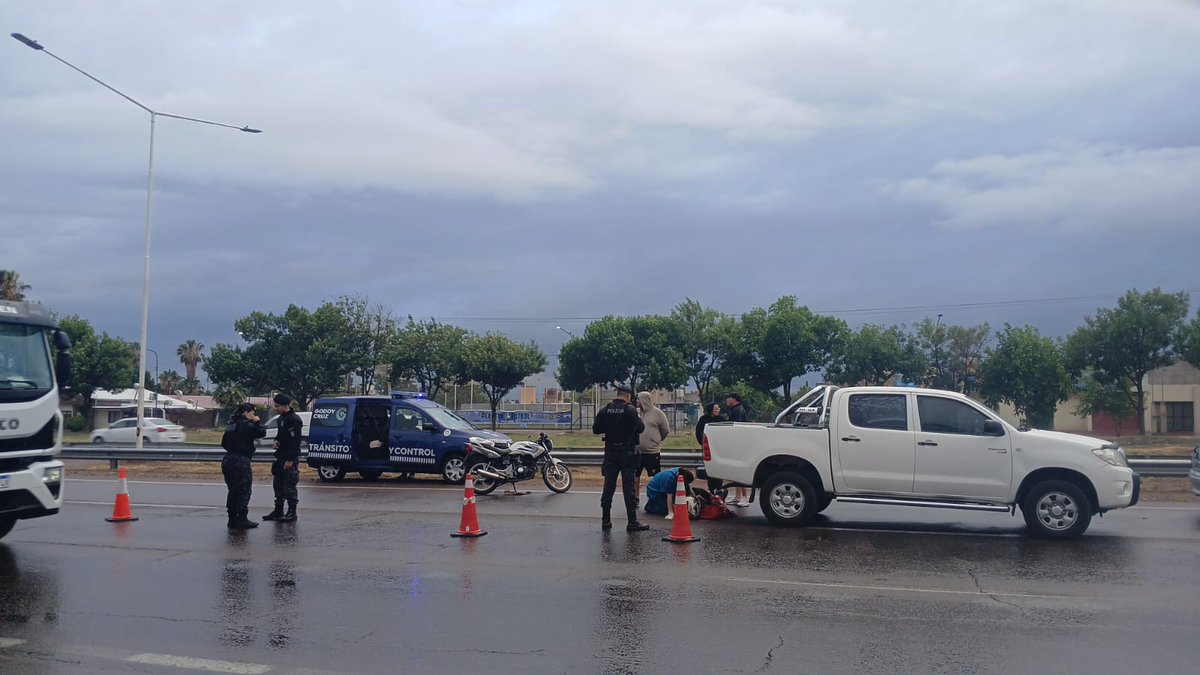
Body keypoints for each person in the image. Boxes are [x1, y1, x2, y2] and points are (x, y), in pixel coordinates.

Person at [593, 384, 649, 532]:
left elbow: (596, 429)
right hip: (627, 453)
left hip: (610, 452)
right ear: (628, 396)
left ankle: (606, 521)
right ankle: (632, 522)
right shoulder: (629, 410)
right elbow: (641, 428)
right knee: (628, 488)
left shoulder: (605, 409)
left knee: (608, 487)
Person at [221, 402, 266, 529]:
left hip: (228, 459)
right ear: (245, 413)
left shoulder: (231, 424)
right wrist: (257, 422)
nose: (254, 414)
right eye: (252, 412)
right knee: (244, 490)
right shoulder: (247, 425)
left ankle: (232, 518)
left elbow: (223, 443)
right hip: (241, 460)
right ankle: (242, 518)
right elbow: (262, 433)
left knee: (233, 490)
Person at [263, 394, 303, 523]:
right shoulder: (281, 419)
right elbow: (281, 435)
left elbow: (295, 441)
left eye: (277, 406)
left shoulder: (294, 420)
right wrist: (276, 441)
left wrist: (290, 460)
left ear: (285, 406)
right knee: (278, 485)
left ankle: (292, 512)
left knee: (290, 485)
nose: (275, 408)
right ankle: (278, 510)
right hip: (280, 456)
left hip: (289, 457)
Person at [634, 391, 671, 499]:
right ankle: (635, 497)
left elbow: (665, 430)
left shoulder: (658, 413)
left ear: (644, 400)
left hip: (652, 452)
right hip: (637, 451)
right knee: (635, 475)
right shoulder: (636, 413)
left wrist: (657, 440)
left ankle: (656, 497)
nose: (637, 401)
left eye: (638, 399)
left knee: (655, 476)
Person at [724, 393, 752, 507]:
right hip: (735, 444)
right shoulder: (735, 410)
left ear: (734, 399)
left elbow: (738, 428)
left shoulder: (738, 410)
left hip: (739, 445)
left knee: (740, 471)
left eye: (728, 398)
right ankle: (737, 496)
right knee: (734, 471)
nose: (727, 400)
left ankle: (745, 497)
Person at [695, 402, 726, 494]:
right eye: (716, 409)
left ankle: (719, 488)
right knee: (709, 467)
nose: (718, 410)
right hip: (708, 448)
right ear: (711, 410)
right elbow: (698, 432)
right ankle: (711, 488)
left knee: (719, 468)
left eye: (718, 408)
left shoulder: (721, 419)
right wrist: (704, 442)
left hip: (719, 448)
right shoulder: (703, 419)